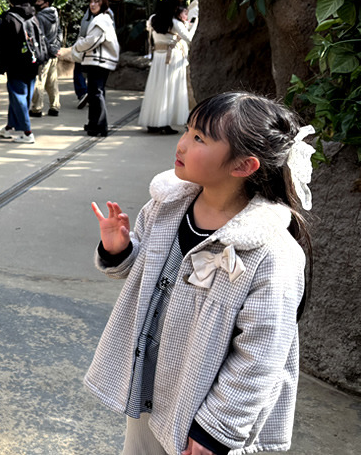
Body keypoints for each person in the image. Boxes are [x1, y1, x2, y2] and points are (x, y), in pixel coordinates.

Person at [86, 92, 313, 455]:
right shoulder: (165, 206)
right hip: (153, 383)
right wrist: (121, 250)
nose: (181, 144)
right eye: (187, 130)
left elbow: (261, 353)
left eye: (199, 139)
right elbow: (143, 277)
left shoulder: (270, 252)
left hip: (206, 415)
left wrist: (216, 431)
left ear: (243, 166)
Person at [138, 0, 197, 135]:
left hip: (158, 57)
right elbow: (189, 38)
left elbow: (151, 33)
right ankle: (164, 123)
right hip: (172, 58)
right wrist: (195, 23)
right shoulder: (175, 23)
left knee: (156, 89)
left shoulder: (153, 19)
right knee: (169, 90)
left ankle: (153, 122)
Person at [70, 0, 119, 137]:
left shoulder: (101, 20)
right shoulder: (101, 18)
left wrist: (77, 46)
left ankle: (101, 126)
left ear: (104, 4)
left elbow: (92, 41)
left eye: (97, 2)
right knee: (94, 93)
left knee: (96, 93)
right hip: (98, 60)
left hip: (99, 61)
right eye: (91, 1)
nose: (93, 4)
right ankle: (93, 124)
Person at [0, 0, 40, 144]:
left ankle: (27, 132)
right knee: (23, 97)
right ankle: (9, 127)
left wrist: (1, 66)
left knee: (18, 97)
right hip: (32, 62)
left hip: (15, 65)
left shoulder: (9, 18)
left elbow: (3, 46)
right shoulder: (33, 16)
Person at [71, 0, 114, 110]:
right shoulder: (91, 10)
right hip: (86, 45)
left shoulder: (107, 14)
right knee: (79, 70)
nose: (94, 2)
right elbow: (84, 27)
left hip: (97, 50)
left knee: (96, 81)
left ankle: (94, 101)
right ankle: (85, 95)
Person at [30, 0, 61, 117]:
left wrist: (48, 50)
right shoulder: (55, 14)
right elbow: (59, 31)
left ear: (46, 3)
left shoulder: (39, 17)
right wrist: (56, 47)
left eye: (39, 1)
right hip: (54, 54)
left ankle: (37, 108)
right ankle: (55, 106)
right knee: (52, 81)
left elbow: (41, 37)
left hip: (44, 54)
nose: (36, 3)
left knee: (39, 81)